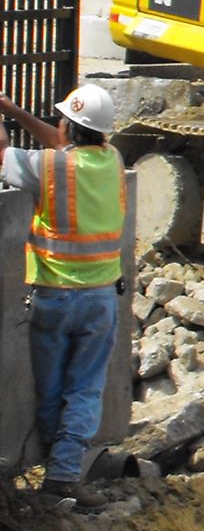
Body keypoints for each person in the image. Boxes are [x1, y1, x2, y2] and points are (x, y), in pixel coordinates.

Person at [0, 83, 129, 507]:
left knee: (52, 389)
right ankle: (62, 474)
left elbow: (3, 156)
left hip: (53, 299)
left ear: (67, 127)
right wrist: (13, 108)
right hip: (99, 301)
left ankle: (56, 474)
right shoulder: (112, 160)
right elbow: (61, 144)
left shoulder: (48, 169)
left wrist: (3, 115)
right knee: (85, 390)